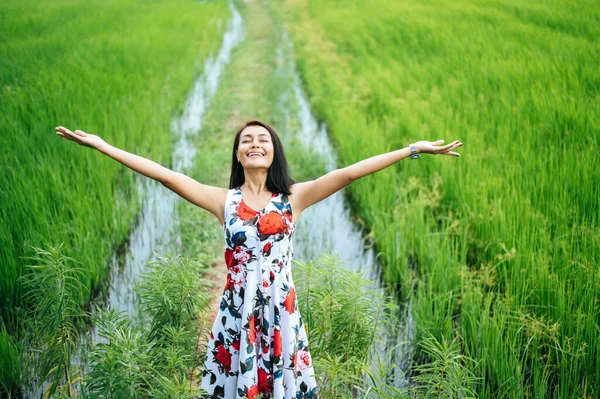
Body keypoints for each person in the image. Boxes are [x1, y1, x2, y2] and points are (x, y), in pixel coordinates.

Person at [55, 120, 462, 398]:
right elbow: (164, 174)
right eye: (247, 139)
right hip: (237, 311)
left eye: (263, 139)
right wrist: (103, 146)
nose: (254, 143)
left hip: (281, 312)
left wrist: (412, 149)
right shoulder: (223, 201)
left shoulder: (293, 199)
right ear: (237, 154)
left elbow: (350, 172)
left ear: (273, 152)